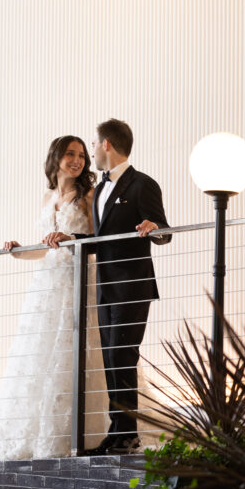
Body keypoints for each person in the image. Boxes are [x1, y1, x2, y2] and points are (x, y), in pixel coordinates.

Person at [0, 136, 107, 461]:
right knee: (38, 358)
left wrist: (69, 239)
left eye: (80, 155)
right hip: (47, 285)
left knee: (80, 351)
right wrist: (20, 252)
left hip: (78, 280)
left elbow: (96, 240)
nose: (76, 160)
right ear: (56, 158)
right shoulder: (48, 196)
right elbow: (47, 249)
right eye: (70, 154)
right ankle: (38, 436)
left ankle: (86, 435)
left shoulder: (89, 195)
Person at [47, 118, 171, 455]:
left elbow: (166, 232)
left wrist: (153, 226)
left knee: (122, 355)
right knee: (111, 360)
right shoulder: (100, 190)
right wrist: (70, 239)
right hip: (104, 288)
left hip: (133, 286)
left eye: (93, 144)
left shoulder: (142, 184)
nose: (91, 152)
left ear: (106, 145)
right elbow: (99, 242)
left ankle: (127, 435)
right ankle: (118, 434)